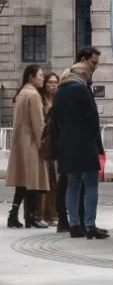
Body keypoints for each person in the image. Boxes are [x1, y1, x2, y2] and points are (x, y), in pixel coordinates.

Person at [54, 63, 108, 239]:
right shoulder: (82, 89)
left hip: (66, 143)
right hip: (84, 143)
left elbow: (55, 117)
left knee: (73, 184)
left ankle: (74, 225)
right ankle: (90, 225)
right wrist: (95, 140)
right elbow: (93, 118)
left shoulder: (60, 91)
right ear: (83, 74)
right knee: (91, 184)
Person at [5, 65, 51, 229]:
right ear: (31, 77)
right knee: (33, 181)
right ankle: (32, 217)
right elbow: (39, 124)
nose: (43, 79)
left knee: (23, 181)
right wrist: (44, 144)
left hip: (20, 141)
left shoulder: (21, 93)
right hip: (31, 141)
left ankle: (14, 215)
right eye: (40, 76)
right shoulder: (33, 95)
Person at [39, 73, 59, 226]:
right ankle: (41, 214)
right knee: (43, 181)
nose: (53, 85)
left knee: (53, 181)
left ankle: (52, 214)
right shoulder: (41, 100)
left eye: (55, 82)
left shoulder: (57, 99)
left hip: (54, 144)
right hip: (44, 143)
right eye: (50, 82)